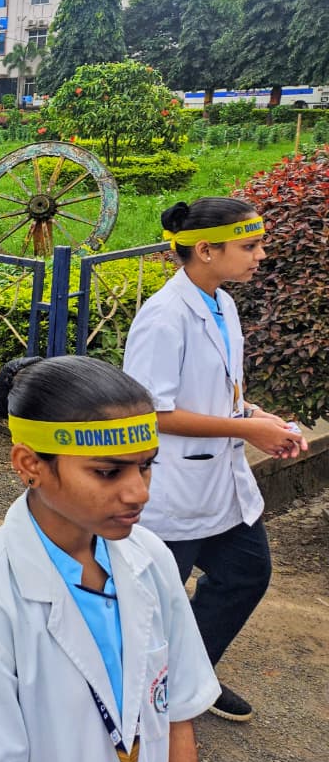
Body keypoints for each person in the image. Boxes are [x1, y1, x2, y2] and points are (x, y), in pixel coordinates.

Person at [0, 355, 220, 762]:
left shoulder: (151, 560)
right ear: (29, 464)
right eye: (108, 471)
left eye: (146, 465)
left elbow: (178, 714)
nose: (138, 492)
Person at [123, 198, 307, 722]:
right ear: (205, 250)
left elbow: (219, 390)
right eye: (249, 246)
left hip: (221, 485)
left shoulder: (220, 303)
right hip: (175, 489)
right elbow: (150, 411)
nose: (260, 256)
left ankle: (190, 678)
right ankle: (137, 707)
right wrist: (247, 429)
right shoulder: (163, 317)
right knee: (151, 608)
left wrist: (261, 417)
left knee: (246, 574)